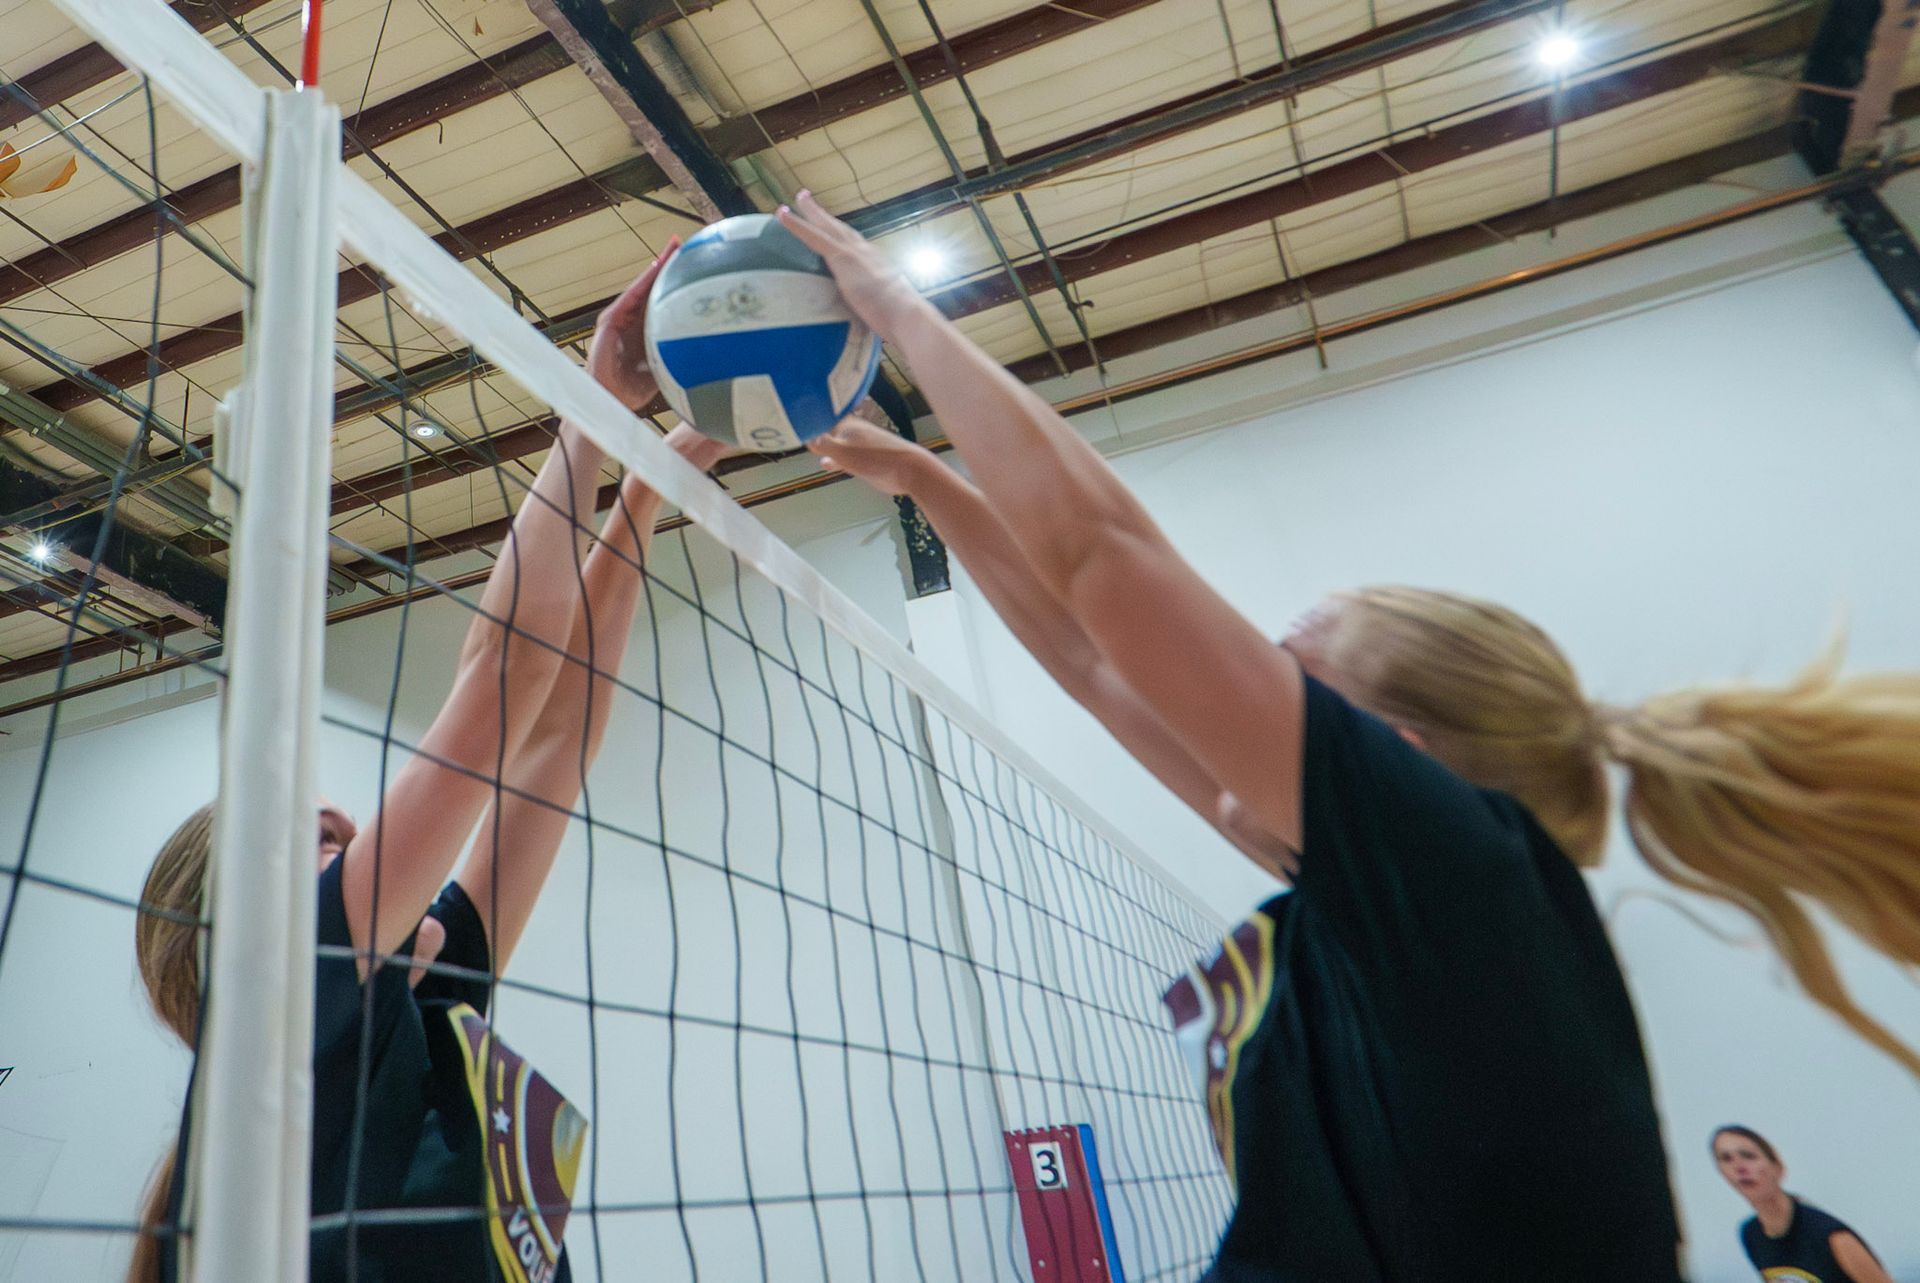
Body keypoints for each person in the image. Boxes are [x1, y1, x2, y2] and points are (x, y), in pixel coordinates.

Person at [776, 191, 1920, 1279]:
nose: (1228, 695)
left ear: (1402, 754)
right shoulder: (1388, 907)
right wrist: (922, 476)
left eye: (1287, 671)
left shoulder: (1468, 879)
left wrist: (897, 305)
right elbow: (1090, 660)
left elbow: (1105, 560)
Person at [129, 242, 731, 1283]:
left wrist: (646, 488)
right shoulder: (287, 1016)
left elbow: (550, 738)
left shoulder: (420, 1006)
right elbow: (502, 678)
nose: (352, 840)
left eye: (344, 833)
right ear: (236, 929)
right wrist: (590, 407)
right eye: (316, 849)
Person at [1714, 1126, 1894, 1283]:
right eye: (1726, 1158)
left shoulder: (1832, 1237)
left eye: (1748, 1156)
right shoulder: (1751, 1234)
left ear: (1778, 1168)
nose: (1739, 1166)